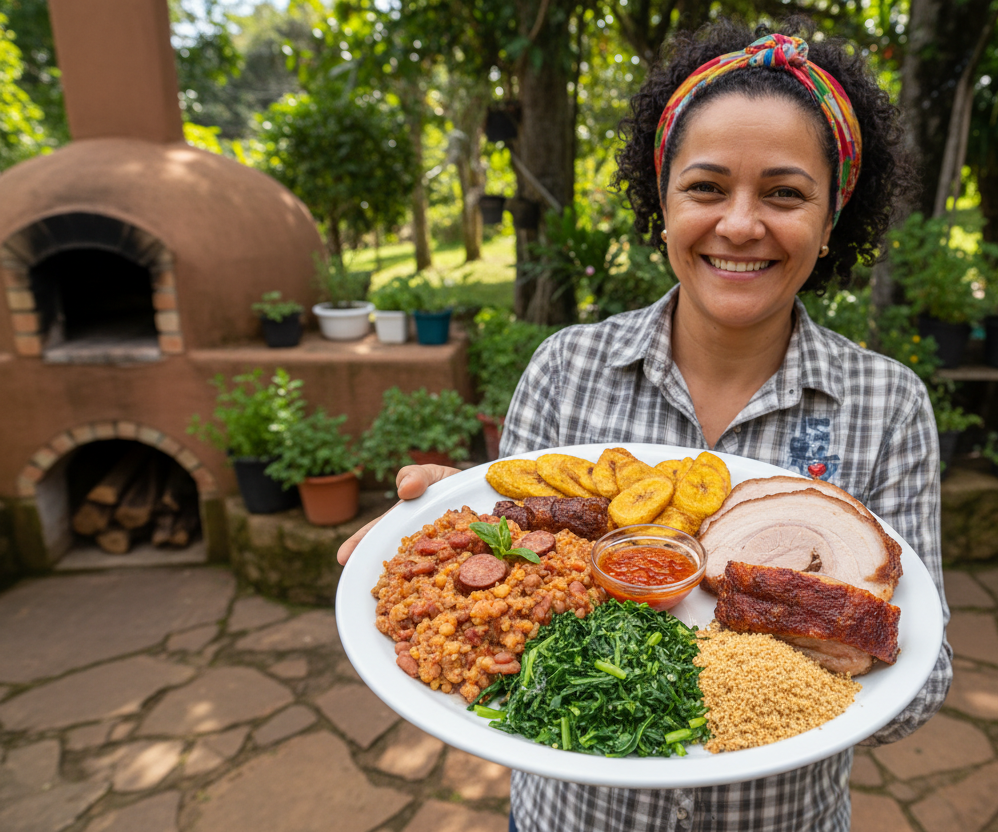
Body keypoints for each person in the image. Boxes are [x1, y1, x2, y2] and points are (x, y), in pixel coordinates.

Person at [339, 17, 951, 832]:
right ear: (660, 205)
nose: (740, 224)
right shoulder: (567, 366)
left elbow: (925, 678)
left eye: (785, 192)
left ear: (833, 219)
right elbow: (516, 549)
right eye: (705, 187)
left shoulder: (889, 403)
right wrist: (430, 530)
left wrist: (800, 622)